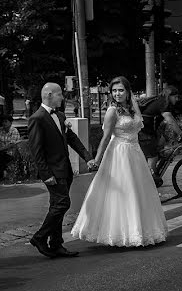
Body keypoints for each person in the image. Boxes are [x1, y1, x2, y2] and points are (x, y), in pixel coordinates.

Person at [71, 76, 168, 247]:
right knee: (123, 193)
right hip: (119, 154)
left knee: (139, 192)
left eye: (121, 90)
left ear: (128, 92)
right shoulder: (112, 111)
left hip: (135, 153)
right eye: (114, 91)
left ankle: (141, 231)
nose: (117, 94)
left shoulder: (133, 106)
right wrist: (96, 159)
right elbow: (106, 137)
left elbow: (138, 127)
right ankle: (121, 234)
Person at [27, 82, 93, 258]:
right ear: (49, 94)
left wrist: (88, 157)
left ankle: (56, 244)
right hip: (52, 172)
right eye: (59, 94)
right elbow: (36, 151)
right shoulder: (37, 118)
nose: (62, 97)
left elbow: (72, 139)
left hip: (65, 170)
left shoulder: (61, 116)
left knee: (57, 206)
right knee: (63, 203)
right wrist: (45, 175)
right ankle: (40, 237)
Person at [138, 84, 182, 180]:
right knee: (153, 157)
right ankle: (150, 182)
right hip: (145, 132)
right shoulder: (163, 103)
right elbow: (170, 120)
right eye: (175, 97)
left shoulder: (159, 100)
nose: (177, 99)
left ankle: (153, 175)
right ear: (169, 96)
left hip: (147, 131)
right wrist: (181, 134)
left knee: (160, 147)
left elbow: (163, 123)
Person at [0, 114, 21, 181]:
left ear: (10, 122)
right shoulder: (0, 130)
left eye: (6, 122)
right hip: (1, 153)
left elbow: (11, 145)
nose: (4, 123)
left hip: (11, 153)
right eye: (3, 122)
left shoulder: (14, 131)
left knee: (1, 157)